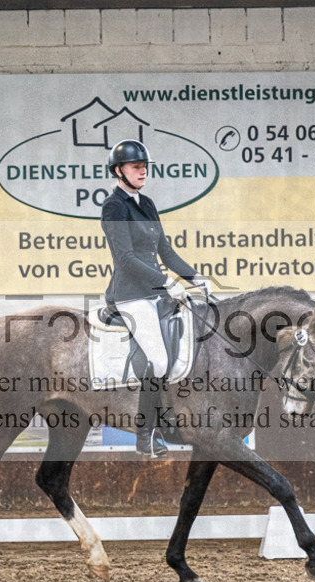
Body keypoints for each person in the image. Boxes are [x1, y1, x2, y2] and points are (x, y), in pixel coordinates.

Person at [101, 139, 209, 458]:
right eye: (136, 167)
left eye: (145, 167)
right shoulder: (114, 207)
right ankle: (145, 435)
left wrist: (194, 277)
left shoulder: (146, 203)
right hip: (131, 295)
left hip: (156, 293)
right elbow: (125, 258)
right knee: (158, 360)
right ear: (119, 171)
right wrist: (165, 282)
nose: (143, 172)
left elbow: (166, 251)